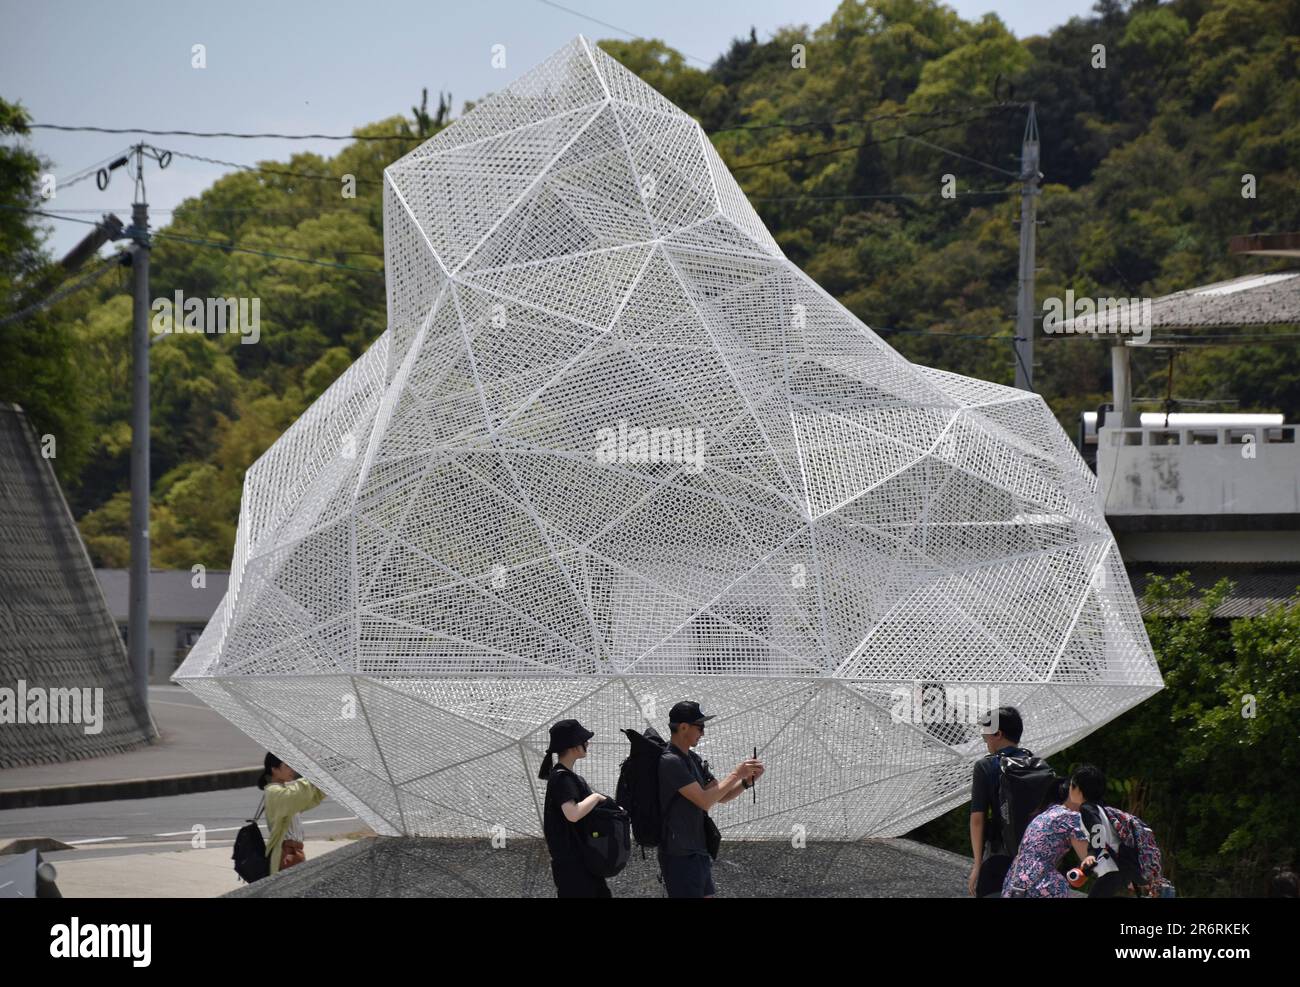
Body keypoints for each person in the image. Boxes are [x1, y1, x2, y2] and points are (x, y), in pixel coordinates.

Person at [657, 700, 763, 898]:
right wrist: (736, 774)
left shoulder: (693, 759)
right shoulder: (670, 761)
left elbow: (719, 797)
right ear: (683, 727)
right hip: (679, 853)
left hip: (698, 849)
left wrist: (746, 782)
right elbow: (704, 801)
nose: (703, 733)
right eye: (700, 727)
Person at [968, 706, 1043, 897]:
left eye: (986, 737)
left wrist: (977, 865)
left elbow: (978, 819)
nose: (986, 742)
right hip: (1031, 857)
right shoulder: (1036, 765)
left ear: (998, 734)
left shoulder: (986, 765)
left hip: (997, 855)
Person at [538, 718, 611, 898]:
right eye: (583, 740)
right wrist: (596, 797)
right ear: (573, 746)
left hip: (578, 862)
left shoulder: (563, 776)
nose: (587, 742)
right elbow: (572, 813)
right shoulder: (562, 779)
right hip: (573, 865)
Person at [1001, 777, 1095, 898]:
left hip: (1013, 882)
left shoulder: (1045, 814)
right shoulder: (1071, 817)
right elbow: (1087, 858)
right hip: (1042, 885)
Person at [259, 752, 326, 875]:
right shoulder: (274, 791)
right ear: (274, 770)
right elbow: (299, 793)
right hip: (287, 853)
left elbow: (310, 798)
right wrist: (315, 772)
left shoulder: (282, 790)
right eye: (287, 766)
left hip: (294, 851)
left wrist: (323, 779)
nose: (292, 769)